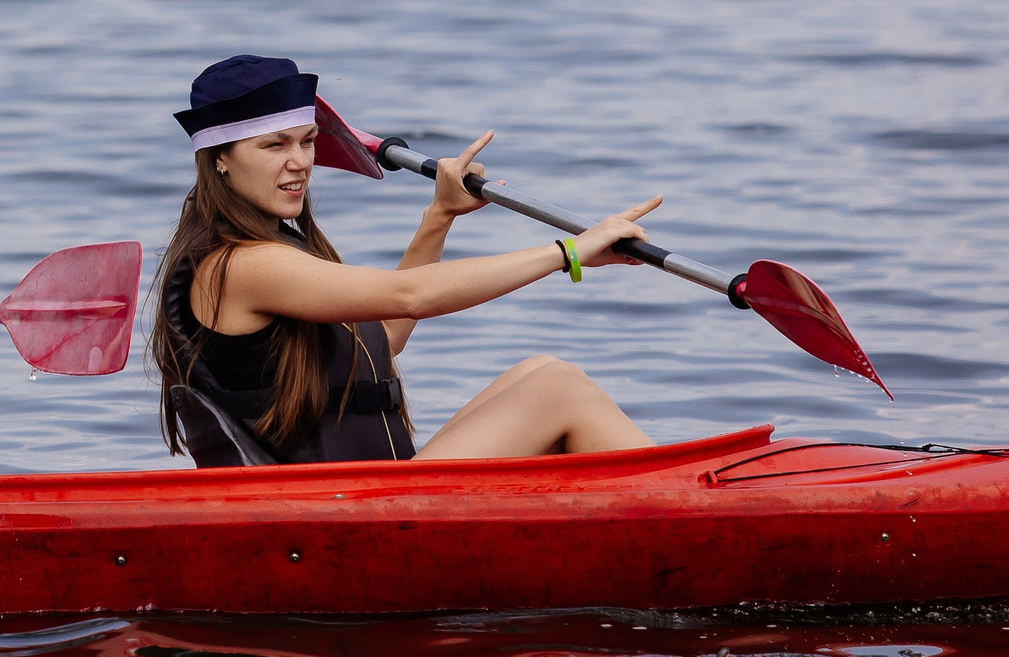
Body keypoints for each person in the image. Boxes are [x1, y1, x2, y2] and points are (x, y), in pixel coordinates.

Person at [153, 55, 658, 467]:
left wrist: (439, 216)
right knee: (557, 387)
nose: (300, 162)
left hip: (369, 496)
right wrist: (567, 252)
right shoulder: (240, 265)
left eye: (307, 141)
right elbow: (411, 296)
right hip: (331, 513)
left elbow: (381, 339)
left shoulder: (276, 249)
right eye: (274, 145)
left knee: (540, 368)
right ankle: (684, 509)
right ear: (219, 157)